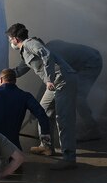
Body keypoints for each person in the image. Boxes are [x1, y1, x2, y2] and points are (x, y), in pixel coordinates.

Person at [7, 23, 77, 170]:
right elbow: (19, 71)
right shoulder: (25, 51)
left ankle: (69, 158)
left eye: (10, 38)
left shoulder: (30, 43)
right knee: (43, 112)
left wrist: (49, 78)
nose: (9, 42)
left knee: (63, 118)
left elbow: (47, 54)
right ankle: (46, 146)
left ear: (15, 39)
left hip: (61, 80)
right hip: (55, 82)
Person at [47, 40, 104, 141]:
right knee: (72, 94)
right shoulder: (50, 47)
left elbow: (52, 81)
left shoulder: (49, 54)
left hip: (91, 63)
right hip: (87, 60)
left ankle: (92, 129)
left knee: (78, 97)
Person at [0, 68, 51, 153]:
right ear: (15, 81)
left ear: (0, 79)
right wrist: (45, 140)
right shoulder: (25, 96)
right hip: (13, 147)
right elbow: (42, 116)